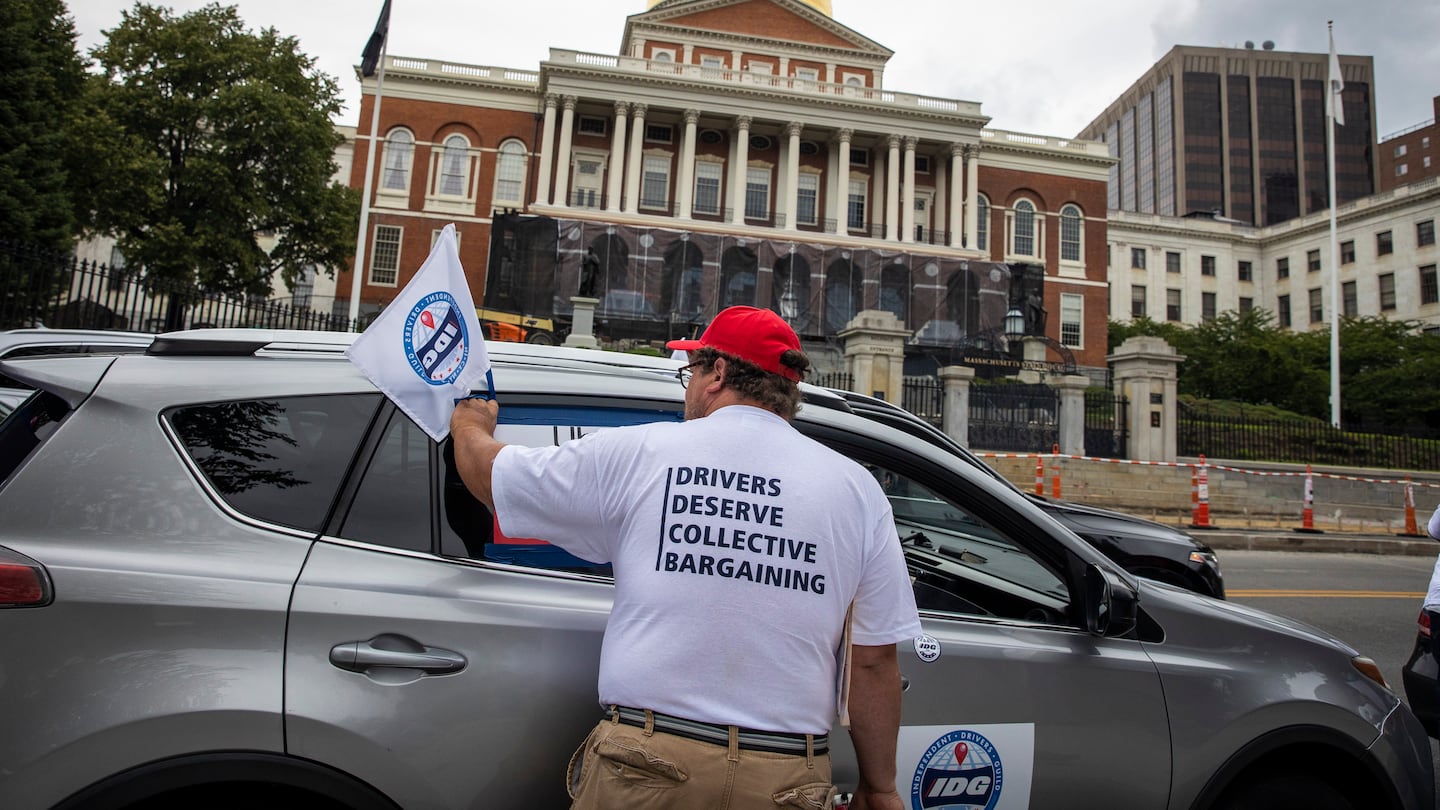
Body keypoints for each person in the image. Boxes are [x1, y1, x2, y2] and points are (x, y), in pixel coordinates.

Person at [450, 305, 921, 810]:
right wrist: (880, 787)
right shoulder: (857, 489)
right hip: (787, 778)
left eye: (689, 371)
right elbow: (871, 662)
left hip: (646, 765)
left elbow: (493, 479)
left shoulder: (642, 453)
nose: (687, 387)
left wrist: (469, 422)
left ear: (717, 373)